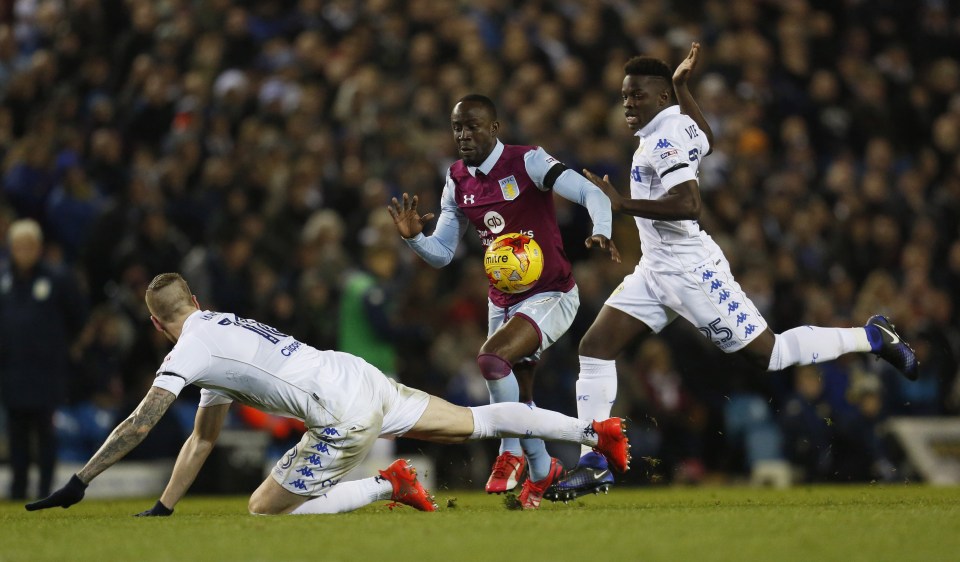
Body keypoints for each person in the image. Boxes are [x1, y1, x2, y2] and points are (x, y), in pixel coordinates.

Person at [545, 43, 919, 501]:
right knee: (595, 347)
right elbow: (708, 137)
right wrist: (683, 87)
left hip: (693, 272)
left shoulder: (662, 140)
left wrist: (622, 205)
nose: (628, 104)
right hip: (656, 269)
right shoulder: (676, 122)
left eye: (638, 96)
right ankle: (595, 462)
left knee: (772, 354)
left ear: (658, 99)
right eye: (625, 96)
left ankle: (874, 337)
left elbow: (688, 204)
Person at [24, 272, 629, 516]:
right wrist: (164, 508)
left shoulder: (185, 355)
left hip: (338, 413)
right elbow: (201, 439)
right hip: (355, 373)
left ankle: (388, 483)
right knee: (477, 420)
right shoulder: (220, 329)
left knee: (264, 509)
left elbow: (141, 422)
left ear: (159, 325)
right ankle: (593, 432)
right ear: (196, 304)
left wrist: (81, 481)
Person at [388, 93, 620, 509]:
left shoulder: (528, 162)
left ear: (494, 128)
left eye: (473, 125)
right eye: (457, 126)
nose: (463, 134)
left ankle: (508, 450)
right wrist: (415, 240)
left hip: (552, 294)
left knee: (492, 361)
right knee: (519, 395)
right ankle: (541, 469)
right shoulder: (457, 179)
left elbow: (592, 194)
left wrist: (601, 228)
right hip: (504, 302)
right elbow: (442, 253)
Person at [0, 218, 88, 499]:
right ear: (10, 248)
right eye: (18, 246)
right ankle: (17, 490)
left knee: (45, 433)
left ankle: (45, 489)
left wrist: (59, 346)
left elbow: (78, 317)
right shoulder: (3, 279)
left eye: (29, 245)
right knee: (16, 434)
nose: (23, 251)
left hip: (46, 370)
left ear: (39, 247)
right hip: (11, 370)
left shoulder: (58, 278)